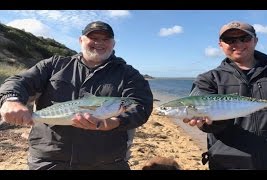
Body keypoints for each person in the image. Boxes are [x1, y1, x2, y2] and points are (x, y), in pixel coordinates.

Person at [0, 21, 153, 170]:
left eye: (105, 39)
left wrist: (115, 122)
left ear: (113, 43)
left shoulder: (128, 74)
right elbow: (19, 81)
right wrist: (11, 100)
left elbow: (141, 105)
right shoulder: (54, 65)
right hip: (49, 160)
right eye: (93, 38)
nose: (99, 42)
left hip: (106, 162)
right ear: (81, 40)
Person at [183, 20, 267, 170]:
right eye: (230, 40)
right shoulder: (208, 79)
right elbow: (209, 123)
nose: (238, 44)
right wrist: (205, 122)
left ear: (255, 40)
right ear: (220, 44)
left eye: (244, 38)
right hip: (227, 164)